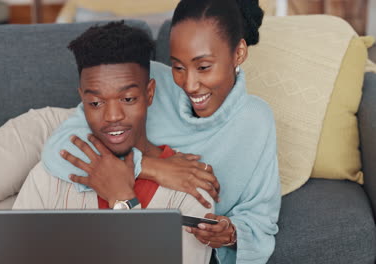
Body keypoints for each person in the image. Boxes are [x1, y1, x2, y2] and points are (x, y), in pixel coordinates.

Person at [41, 0, 281, 263]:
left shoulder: (256, 121)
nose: (189, 84)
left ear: (238, 54)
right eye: (178, 67)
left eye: (203, 67)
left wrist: (230, 233)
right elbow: (61, 148)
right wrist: (153, 167)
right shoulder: (150, 83)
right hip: (48, 125)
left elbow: (260, 217)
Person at [13, 21, 214, 264]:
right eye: (96, 103)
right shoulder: (49, 177)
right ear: (82, 100)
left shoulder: (191, 191)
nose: (112, 117)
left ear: (149, 94)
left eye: (128, 98)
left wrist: (123, 201)